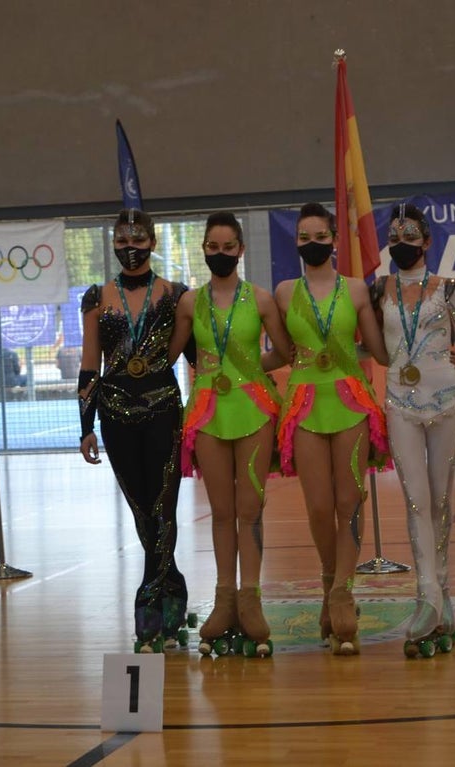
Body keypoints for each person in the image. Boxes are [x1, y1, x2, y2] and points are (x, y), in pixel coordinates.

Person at [168, 211, 293, 658]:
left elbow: (285, 350)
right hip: (207, 413)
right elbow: (171, 353)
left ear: (241, 250)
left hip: (254, 409)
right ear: (203, 249)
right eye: (211, 247)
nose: (219, 254)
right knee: (221, 511)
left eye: (227, 247)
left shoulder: (260, 300)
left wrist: (247, 371)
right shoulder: (189, 304)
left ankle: (251, 598)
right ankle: (224, 599)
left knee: (249, 508)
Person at [274, 202, 391, 656]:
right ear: (297, 242)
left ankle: (343, 592)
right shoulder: (283, 292)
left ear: (335, 240)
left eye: (321, 236)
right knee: (320, 506)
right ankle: (330, 582)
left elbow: (380, 352)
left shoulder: (358, 290)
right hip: (304, 403)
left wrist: (430, 353)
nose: (313, 243)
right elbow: (282, 352)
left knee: (350, 500)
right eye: (305, 237)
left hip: (350, 402)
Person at [78, 208, 191, 653]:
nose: (130, 247)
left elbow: (198, 358)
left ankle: (149, 599)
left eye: (138, 239)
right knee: (141, 508)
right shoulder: (96, 297)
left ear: (153, 242)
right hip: (116, 413)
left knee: (165, 503)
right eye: (122, 240)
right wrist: (85, 426)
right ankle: (172, 581)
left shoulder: (178, 295)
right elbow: (90, 363)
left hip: (164, 408)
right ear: (113, 245)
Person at [370, 202, 455, 659]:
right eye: (395, 237)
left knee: (439, 500)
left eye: (411, 236)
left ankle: (444, 597)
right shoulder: (379, 290)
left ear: (428, 241)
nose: (402, 244)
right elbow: (377, 349)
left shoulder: (450, 289)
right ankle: (426, 597)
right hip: (400, 405)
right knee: (415, 501)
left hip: (448, 403)